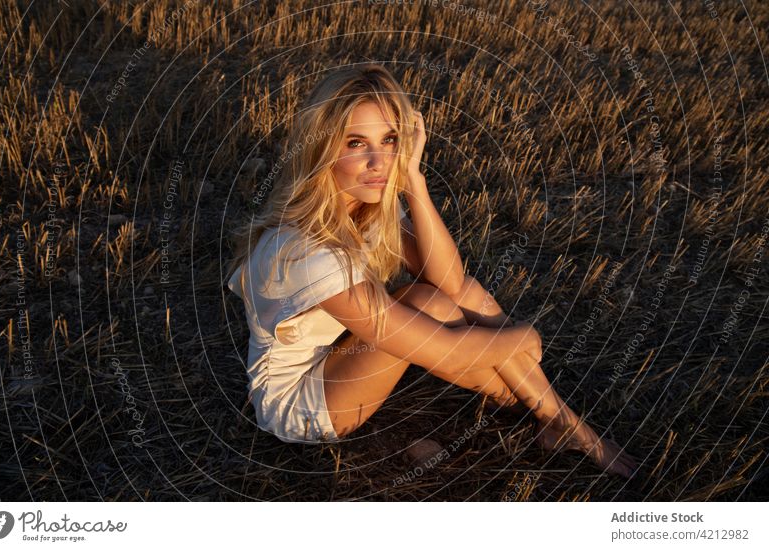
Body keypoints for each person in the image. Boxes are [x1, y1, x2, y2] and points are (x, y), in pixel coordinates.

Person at [227, 64, 637, 479]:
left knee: (453, 296)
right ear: (325, 150)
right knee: (430, 307)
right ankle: (552, 416)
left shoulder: (366, 203)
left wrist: (413, 181)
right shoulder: (305, 254)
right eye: (356, 143)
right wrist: (526, 338)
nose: (377, 162)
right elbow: (451, 350)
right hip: (303, 405)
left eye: (388, 141)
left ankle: (556, 420)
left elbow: (452, 282)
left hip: (336, 352)